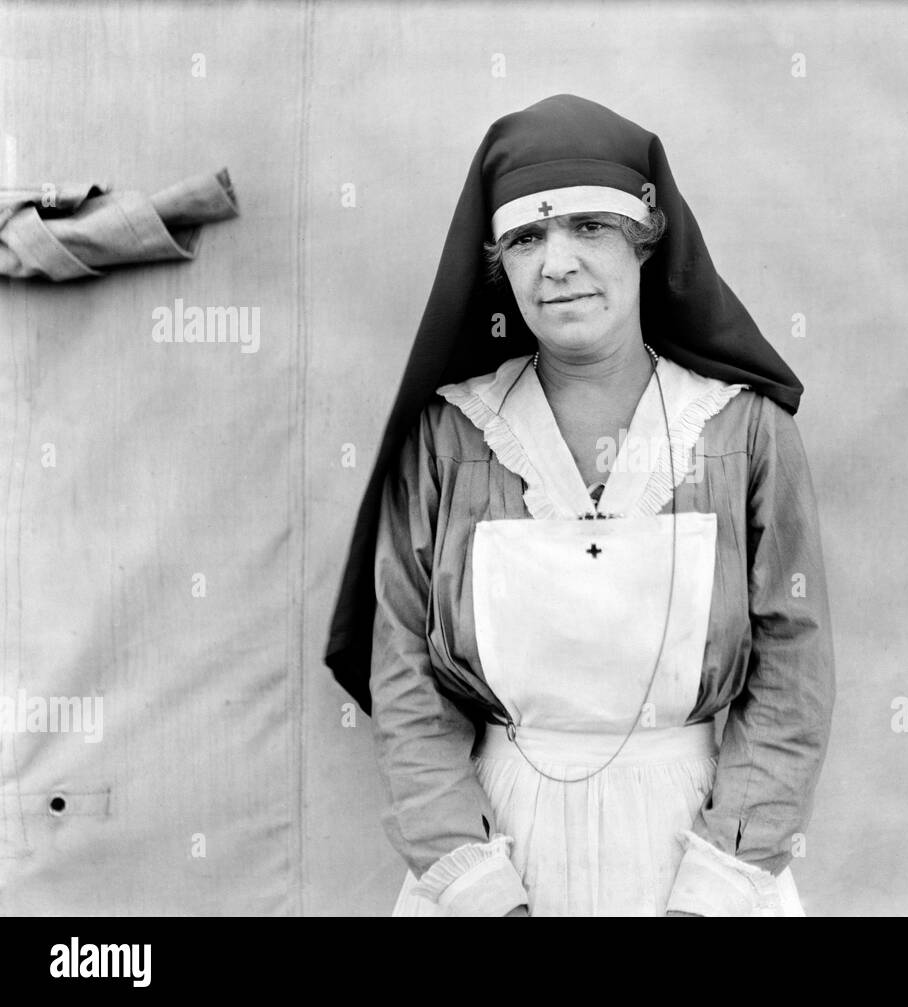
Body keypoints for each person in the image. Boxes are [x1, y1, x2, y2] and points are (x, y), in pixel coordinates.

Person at [324, 94, 835, 916]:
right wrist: (481, 887)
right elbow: (406, 679)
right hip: (499, 841)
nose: (556, 263)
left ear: (645, 239)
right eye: (526, 237)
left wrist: (719, 882)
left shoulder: (743, 429)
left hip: (700, 844)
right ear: (498, 261)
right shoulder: (450, 436)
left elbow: (793, 672)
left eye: (589, 228)